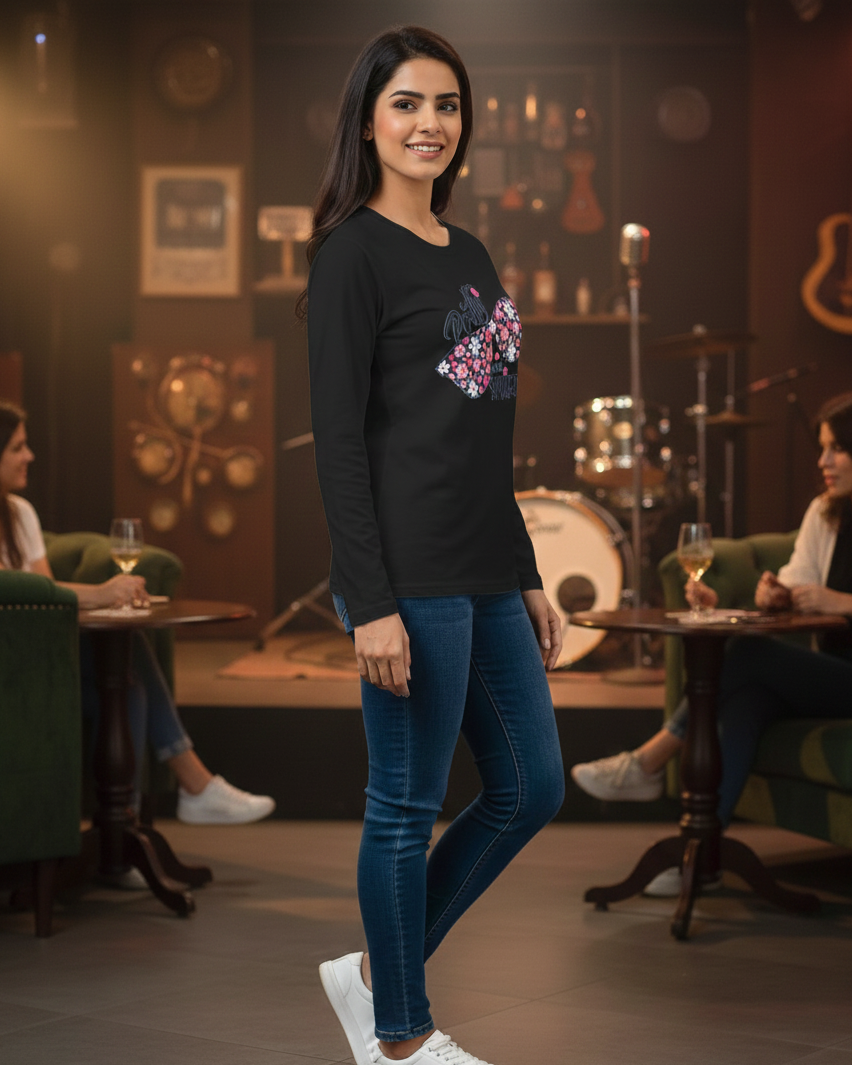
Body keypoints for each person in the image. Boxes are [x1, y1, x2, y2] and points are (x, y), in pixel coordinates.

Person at [304, 26, 565, 1065]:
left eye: (447, 105)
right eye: (407, 103)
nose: (429, 124)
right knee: (405, 808)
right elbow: (338, 448)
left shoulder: (471, 253)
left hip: (487, 570)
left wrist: (529, 570)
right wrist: (368, 602)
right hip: (408, 578)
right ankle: (400, 1038)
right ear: (369, 119)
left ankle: (373, 975)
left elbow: (480, 437)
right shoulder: (349, 257)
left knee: (531, 790)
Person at [571, 391, 852, 896]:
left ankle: (648, 761)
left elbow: (830, 601)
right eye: (823, 448)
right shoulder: (824, 514)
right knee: (748, 700)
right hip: (827, 675)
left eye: (838, 449)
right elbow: (795, 584)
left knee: (747, 654)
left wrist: (841, 602)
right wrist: (775, 592)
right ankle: (701, 859)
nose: (824, 461)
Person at [0, 400, 275, 835]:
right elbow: (29, 594)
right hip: (12, 673)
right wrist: (102, 592)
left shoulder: (19, 513)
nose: (29, 456)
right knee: (126, 670)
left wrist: (105, 598)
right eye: (17, 448)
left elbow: (47, 593)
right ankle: (192, 785)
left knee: (127, 685)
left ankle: (121, 836)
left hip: (41, 663)